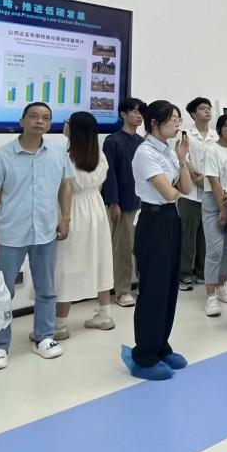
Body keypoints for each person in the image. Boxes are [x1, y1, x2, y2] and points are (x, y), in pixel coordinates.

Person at [0, 103, 74, 372]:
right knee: (2, 293)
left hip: (45, 231)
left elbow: (66, 186)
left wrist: (65, 218)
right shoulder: (2, 155)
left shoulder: (58, 153)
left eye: (45, 118)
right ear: (21, 121)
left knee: (46, 289)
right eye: (33, 116)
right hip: (10, 234)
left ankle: (44, 337)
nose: (39, 121)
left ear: (50, 124)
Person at [122, 100, 193, 381]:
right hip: (152, 220)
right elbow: (169, 193)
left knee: (169, 286)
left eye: (178, 119)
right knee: (153, 289)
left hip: (171, 219)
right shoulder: (145, 152)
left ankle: (162, 346)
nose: (177, 124)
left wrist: (183, 160)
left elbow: (186, 187)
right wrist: (175, 186)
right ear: (154, 122)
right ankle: (144, 355)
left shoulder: (169, 150)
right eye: (172, 119)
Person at [54, 112, 115, 337]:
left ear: (74, 130)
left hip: (73, 210)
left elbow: (62, 188)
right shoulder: (99, 156)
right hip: (96, 209)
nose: (64, 126)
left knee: (66, 264)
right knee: (100, 259)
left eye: (67, 123)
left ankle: (59, 324)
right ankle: (105, 314)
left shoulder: (67, 157)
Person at [101, 97, 146, 307]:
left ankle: (143, 286)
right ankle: (122, 290)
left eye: (141, 112)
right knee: (123, 249)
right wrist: (113, 202)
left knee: (142, 248)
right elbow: (109, 174)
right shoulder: (112, 141)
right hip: (123, 204)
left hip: (142, 203)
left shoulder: (142, 142)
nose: (139, 115)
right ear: (123, 114)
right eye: (135, 111)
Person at [200, 114, 227, 317]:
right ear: (219, 129)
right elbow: (214, 180)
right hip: (214, 201)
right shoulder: (212, 149)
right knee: (214, 250)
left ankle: (222, 285)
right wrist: (223, 209)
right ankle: (211, 295)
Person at [178, 97, 217, 291]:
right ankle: (184, 274)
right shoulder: (185, 134)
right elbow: (183, 159)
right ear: (193, 114)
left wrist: (209, 180)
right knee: (187, 236)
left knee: (207, 235)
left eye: (209, 108)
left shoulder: (216, 136)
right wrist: (196, 177)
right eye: (203, 108)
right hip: (190, 193)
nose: (207, 111)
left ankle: (202, 272)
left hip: (211, 191)